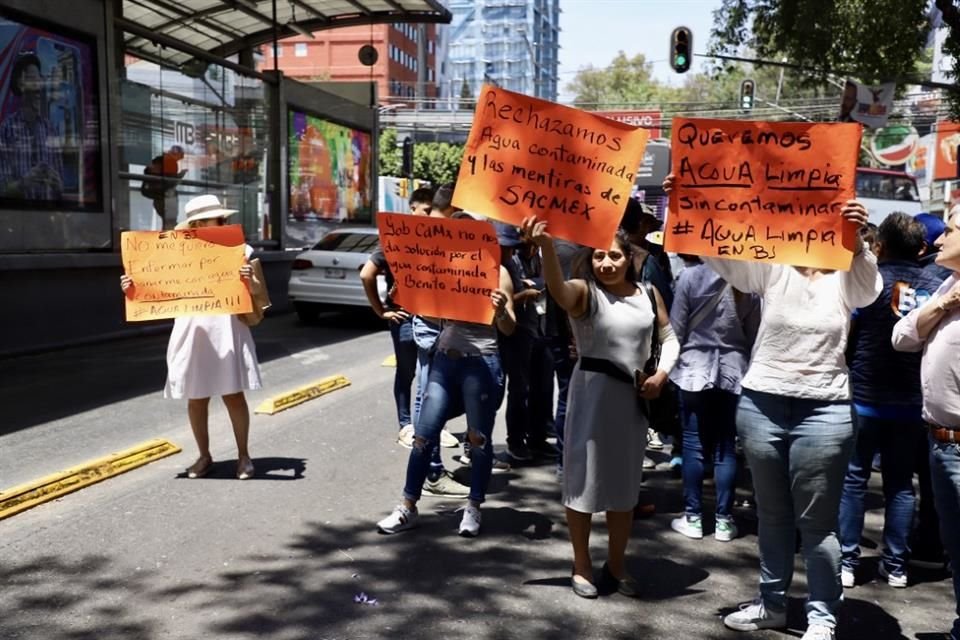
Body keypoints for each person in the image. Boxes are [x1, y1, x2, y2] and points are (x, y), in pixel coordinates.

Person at [664, 174, 882, 640]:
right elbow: (721, 255)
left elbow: (868, 293)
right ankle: (772, 604)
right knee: (773, 515)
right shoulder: (773, 263)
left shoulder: (847, 267)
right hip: (762, 403)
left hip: (824, 411)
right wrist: (689, 201)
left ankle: (822, 617)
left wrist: (858, 240)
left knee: (817, 524)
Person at [522, 215, 678, 599]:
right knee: (583, 484)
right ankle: (582, 564)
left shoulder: (649, 294)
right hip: (591, 400)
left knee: (625, 490)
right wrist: (544, 247)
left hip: (632, 403)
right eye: (598, 258)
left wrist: (661, 375)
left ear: (629, 258)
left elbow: (669, 338)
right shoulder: (584, 294)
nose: (606, 264)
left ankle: (617, 564)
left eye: (613, 256)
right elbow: (558, 290)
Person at [376, 194, 517, 537]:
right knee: (423, 436)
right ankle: (408, 506)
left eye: (473, 231)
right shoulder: (445, 269)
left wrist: (500, 308)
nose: (465, 236)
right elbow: (427, 310)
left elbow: (510, 326)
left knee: (478, 439)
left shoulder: (498, 273)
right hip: (444, 361)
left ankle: (473, 507)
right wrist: (403, 293)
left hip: (481, 364)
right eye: (460, 230)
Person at [120, 195, 261, 480]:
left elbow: (258, 291)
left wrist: (250, 278)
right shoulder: (173, 252)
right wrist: (132, 289)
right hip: (193, 327)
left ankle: (243, 456)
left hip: (226, 326)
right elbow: (156, 289)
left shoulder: (239, 248)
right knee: (196, 397)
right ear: (198, 223)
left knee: (233, 395)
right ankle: (204, 456)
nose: (224, 222)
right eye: (217, 219)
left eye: (224, 218)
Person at [838, 213, 944, 589]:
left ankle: (846, 562)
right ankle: (896, 565)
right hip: (912, 403)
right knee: (901, 484)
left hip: (865, 396)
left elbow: (847, 335)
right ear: (920, 248)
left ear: (880, 246)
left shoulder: (870, 282)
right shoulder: (938, 285)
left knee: (853, 479)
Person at [892, 204, 960, 640]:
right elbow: (902, 337)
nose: (937, 240)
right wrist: (946, 304)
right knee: (956, 551)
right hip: (941, 442)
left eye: (949, 230)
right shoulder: (949, 284)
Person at [361, 187, 461, 451]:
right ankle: (406, 425)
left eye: (434, 211)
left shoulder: (441, 239)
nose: (430, 216)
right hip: (404, 317)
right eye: (426, 211)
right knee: (407, 371)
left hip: (435, 317)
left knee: (433, 374)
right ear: (413, 208)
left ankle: (434, 425)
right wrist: (381, 310)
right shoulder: (398, 240)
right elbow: (366, 274)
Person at [668, 255, 759, 543]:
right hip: (734, 371)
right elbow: (755, 334)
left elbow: (675, 328)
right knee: (726, 448)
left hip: (693, 368)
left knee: (693, 444)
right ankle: (723, 520)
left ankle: (693, 517)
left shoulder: (690, 277)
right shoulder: (749, 282)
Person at [496, 221, 559, 462]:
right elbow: (503, 299)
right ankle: (515, 441)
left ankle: (536, 438)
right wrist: (525, 294)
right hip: (514, 333)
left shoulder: (534, 257)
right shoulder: (507, 263)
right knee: (515, 389)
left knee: (539, 388)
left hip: (536, 330)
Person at [0, 52, 63, 200]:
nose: (39, 87)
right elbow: (2, 190)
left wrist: (58, 185)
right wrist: (25, 183)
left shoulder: (50, 130)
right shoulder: (5, 130)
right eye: (33, 80)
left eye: (39, 79)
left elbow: (61, 190)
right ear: (20, 85)